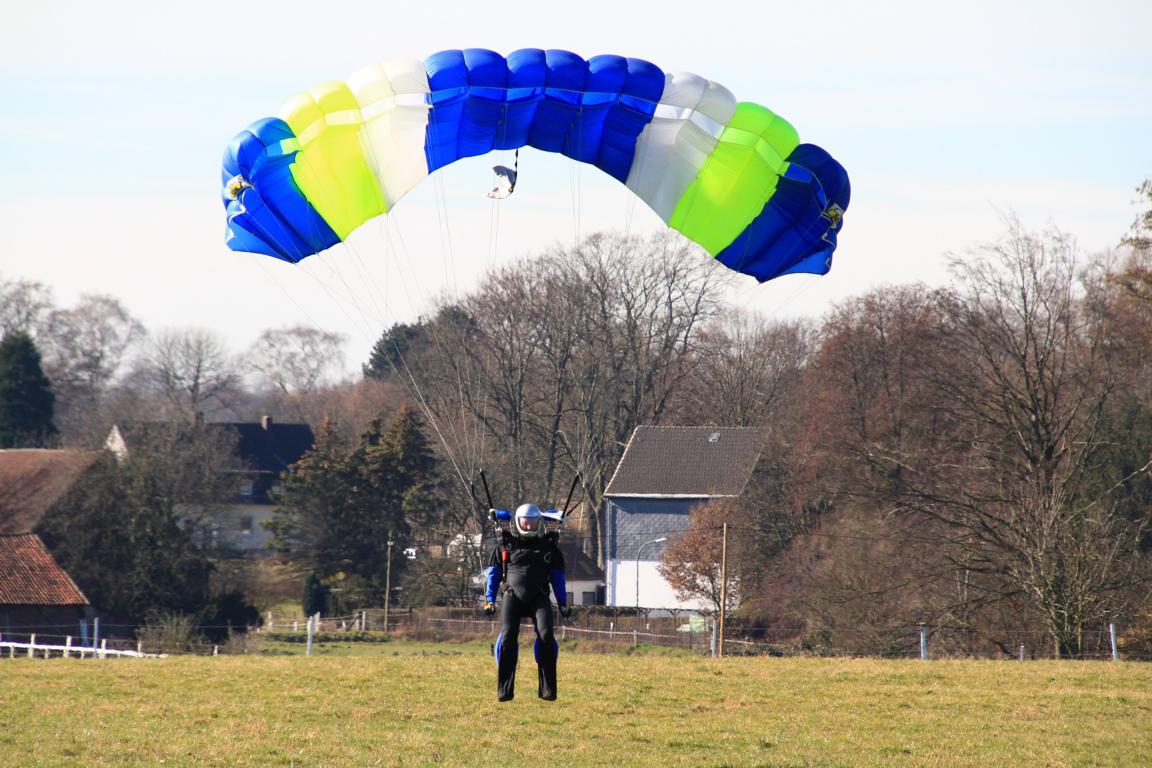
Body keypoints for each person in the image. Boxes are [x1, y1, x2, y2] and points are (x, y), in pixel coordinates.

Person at [483, 503, 570, 701]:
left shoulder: (549, 549)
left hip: (539, 597)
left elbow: (558, 579)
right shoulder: (505, 546)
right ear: (517, 522)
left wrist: (563, 603)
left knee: (546, 635)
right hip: (512, 596)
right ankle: (505, 691)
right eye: (525, 522)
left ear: (539, 523)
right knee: (508, 636)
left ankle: (547, 690)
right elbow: (493, 575)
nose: (528, 526)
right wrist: (489, 600)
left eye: (532, 522)